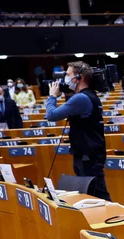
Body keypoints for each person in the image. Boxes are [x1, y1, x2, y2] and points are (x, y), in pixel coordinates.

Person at [45, 61, 111, 201]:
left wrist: (52, 96)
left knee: (99, 196)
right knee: (91, 196)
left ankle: (120, 220)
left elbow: (51, 115)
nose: (65, 79)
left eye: (68, 75)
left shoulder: (81, 98)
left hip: (89, 156)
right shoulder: (86, 95)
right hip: (86, 154)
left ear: (79, 77)